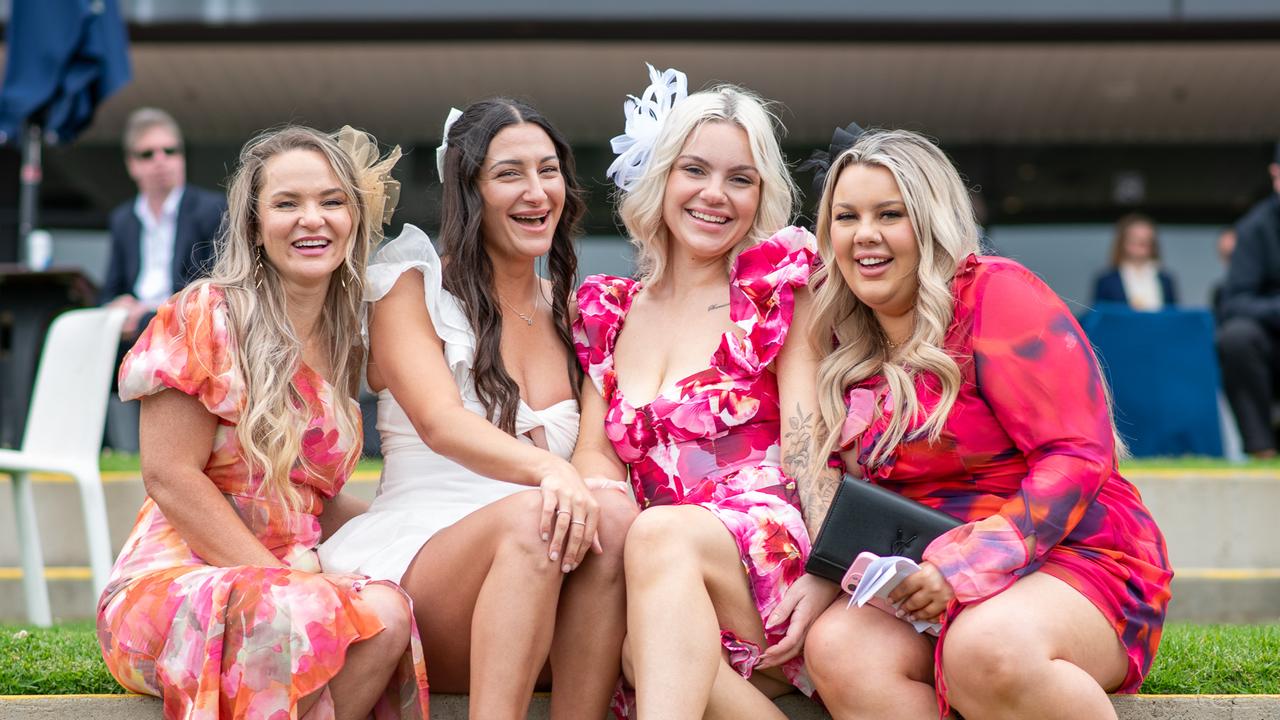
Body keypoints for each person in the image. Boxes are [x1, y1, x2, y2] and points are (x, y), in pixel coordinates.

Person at [789, 129, 1172, 720]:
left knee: (985, 647)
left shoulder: (997, 294)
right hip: (924, 569)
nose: (865, 234)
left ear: (931, 220)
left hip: (1073, 554)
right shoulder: (841, 339)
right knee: (840, 649)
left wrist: (962, 566)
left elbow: (1078, 456)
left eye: (890, 214)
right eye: (846, 216)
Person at [96, 126, 429, 719]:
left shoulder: (347, 340)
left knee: (388, 612)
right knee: (294, 614)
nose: (313, 220)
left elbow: (308, 502)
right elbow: (169, 475)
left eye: (332, 202)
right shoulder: (205, 313)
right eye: (287, 203)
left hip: (291, 574)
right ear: (253, 224)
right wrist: (282, 578)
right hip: (179, 578)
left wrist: (411, 529)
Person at [318, 99, 635, 720]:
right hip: (425, 568)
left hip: (551, 588)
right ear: (468, 189)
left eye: (549, 171)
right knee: (533, 519)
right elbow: (440, 422)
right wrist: (552, 471)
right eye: (509, 173)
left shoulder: (578, 314)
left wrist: (590, 482)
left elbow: (599, 452)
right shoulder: (409, 289)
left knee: (617, 521)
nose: (537, 191)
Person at [572, 67, 824, 719]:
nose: (716, 194)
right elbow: (595, 456)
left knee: (658, 543)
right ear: (662, 178)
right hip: (663, 568)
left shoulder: (772, 288)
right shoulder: (612, 309)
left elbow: (807, 443)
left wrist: (830, 573)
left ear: (760, 193)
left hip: (763, 549)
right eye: (696, 171)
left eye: (740, 179)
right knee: (637, 649)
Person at [100, 108, 227, 339]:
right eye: (147, 154)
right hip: (131, 330)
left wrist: (151, 313)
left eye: (170, 151)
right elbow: (110, 290)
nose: (161, 160)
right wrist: (116, 305)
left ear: (182, 158)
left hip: (186, 327)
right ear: (132, 165)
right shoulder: (123, 219)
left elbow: (215, 287)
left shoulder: (212, 209)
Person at [1217, 142, 1280, 457]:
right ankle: (1262, 448)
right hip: (1272, 343)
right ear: (1275, 175)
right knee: (1236, 338)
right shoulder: (1255, 229)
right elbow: (1235, 302)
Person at [1092, 213, 1178, 311]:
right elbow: (1099, 319)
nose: (1142, 241)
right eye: (1135, 237)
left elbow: (1174, 318)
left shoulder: (1166, 280)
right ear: (1123, 242)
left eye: (1147, 238)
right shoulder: (1107, 281)